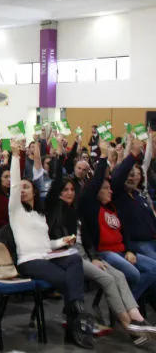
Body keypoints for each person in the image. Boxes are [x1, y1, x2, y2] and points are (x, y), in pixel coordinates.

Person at [45, 137, 156, 346]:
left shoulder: (78, 210)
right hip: (67, 254)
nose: (69, 193)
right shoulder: (57, 207)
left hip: (88, 254)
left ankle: (139, 321)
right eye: (65, 190)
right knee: (110, 279)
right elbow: (83, 182)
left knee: (119, 277)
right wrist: (102, 157)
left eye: (71, 190)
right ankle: (129, 327)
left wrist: (94, 257)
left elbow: (90, 240)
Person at [8, 140, 93, 349]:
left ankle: (76, 314)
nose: (23, 190)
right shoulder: (16, 211)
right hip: (29, 260)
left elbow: (47, 243)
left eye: (27, 187)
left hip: (47, 254)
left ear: (35, 192)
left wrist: (61, 241)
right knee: (66, 280)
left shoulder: (40, 215)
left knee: (74, 257)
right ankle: (76, 323)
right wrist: (16, 156)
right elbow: (14, 184)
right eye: (22, 188)